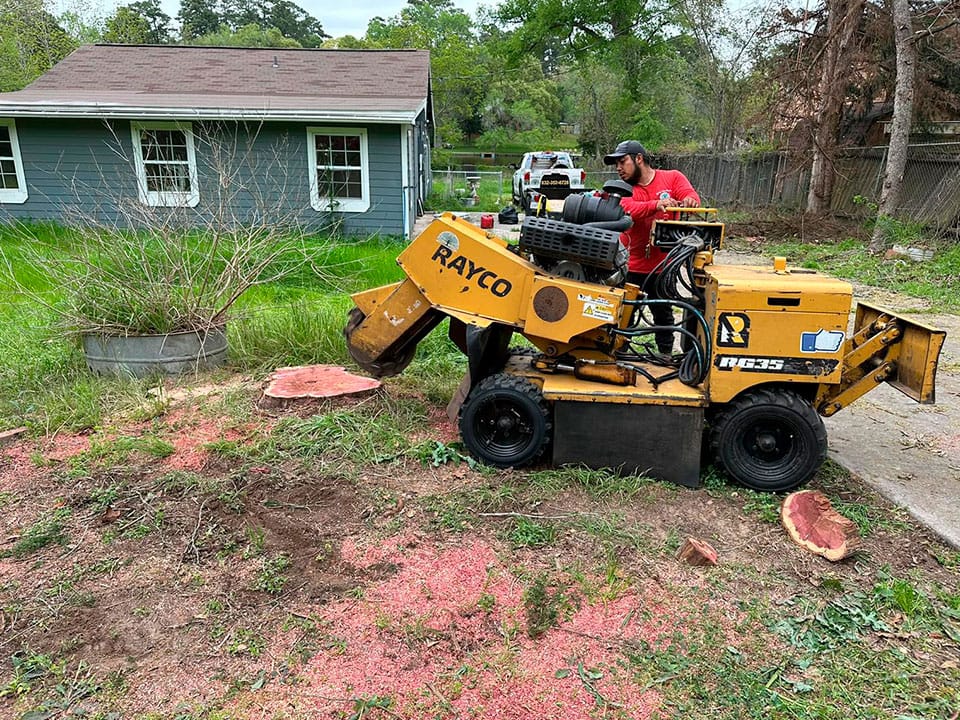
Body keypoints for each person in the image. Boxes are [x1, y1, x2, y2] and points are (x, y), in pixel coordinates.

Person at [603, 140, 700, 355]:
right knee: (623, 316)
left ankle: (665, 356)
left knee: (663, 316)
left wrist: (690, 201)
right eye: (616, 164)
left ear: (639, 159)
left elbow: (691, 196)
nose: (618, 168)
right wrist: (656, 204)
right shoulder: (624, 189)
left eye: (622, 162)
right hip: (630, 266)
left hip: (663, 266)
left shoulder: (672, 177)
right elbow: (624, 208)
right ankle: (617, 356)